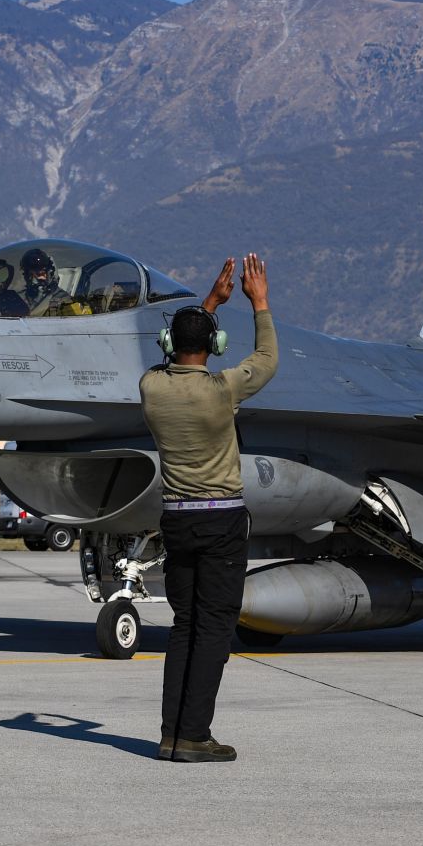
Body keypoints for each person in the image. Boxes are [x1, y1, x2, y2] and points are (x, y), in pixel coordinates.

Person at [140, 253, 276, 763]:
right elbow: (267, 358)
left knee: (184, 626)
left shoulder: (151, 387)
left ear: (168, 343)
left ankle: (172, 735)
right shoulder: (222, 390)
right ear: (215, 346)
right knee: (214, 628)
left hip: (176, 520)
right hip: (220, 521)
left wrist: (209, 303)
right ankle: (194, 736)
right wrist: (259, 302)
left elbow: (175, 357)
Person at [18, 247, 84, 317]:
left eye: (41, 274)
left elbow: (77, 322)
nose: (37, 279)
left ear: (50, 273)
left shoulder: (64, 300)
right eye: (30, 275)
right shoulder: (20, 297)